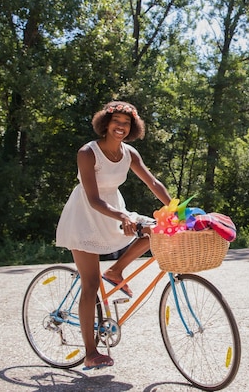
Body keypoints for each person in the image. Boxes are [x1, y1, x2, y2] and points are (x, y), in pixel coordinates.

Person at [56, 101, 171, 370]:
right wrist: (124, 217)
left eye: (126, 123)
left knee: (154, 231)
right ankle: (90, 352)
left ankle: (116, 271)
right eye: (116, 121)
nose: (121, 127)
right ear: (105, 124)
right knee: (90, 283)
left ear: (133, 128)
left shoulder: (130, 153)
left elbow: (153, 182)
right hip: (86, 214)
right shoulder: (88, 153)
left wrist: (176, 210)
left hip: (115, 211)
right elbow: (93, 198)